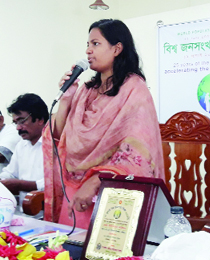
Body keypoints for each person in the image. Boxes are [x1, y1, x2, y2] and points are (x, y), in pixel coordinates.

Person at [43, 19, 164, 228]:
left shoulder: (134, 90)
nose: (89, 51)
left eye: (95, 44)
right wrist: (65, 101)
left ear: (117, 48)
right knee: (65, 253)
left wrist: (95, 180)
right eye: (88, 45)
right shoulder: (86, 91)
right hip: (74, 189)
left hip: (110, 192)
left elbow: (137, 155)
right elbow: (60, 138)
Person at [0, 93, 48, 213]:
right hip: (24, 211)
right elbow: (11, 173)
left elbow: (57, 183)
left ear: (40, 119)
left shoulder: (56, 144)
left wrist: (22, 185)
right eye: (16, 123)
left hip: (48, 212)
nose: (18, 128)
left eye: (22, 121)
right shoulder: (22, 145)